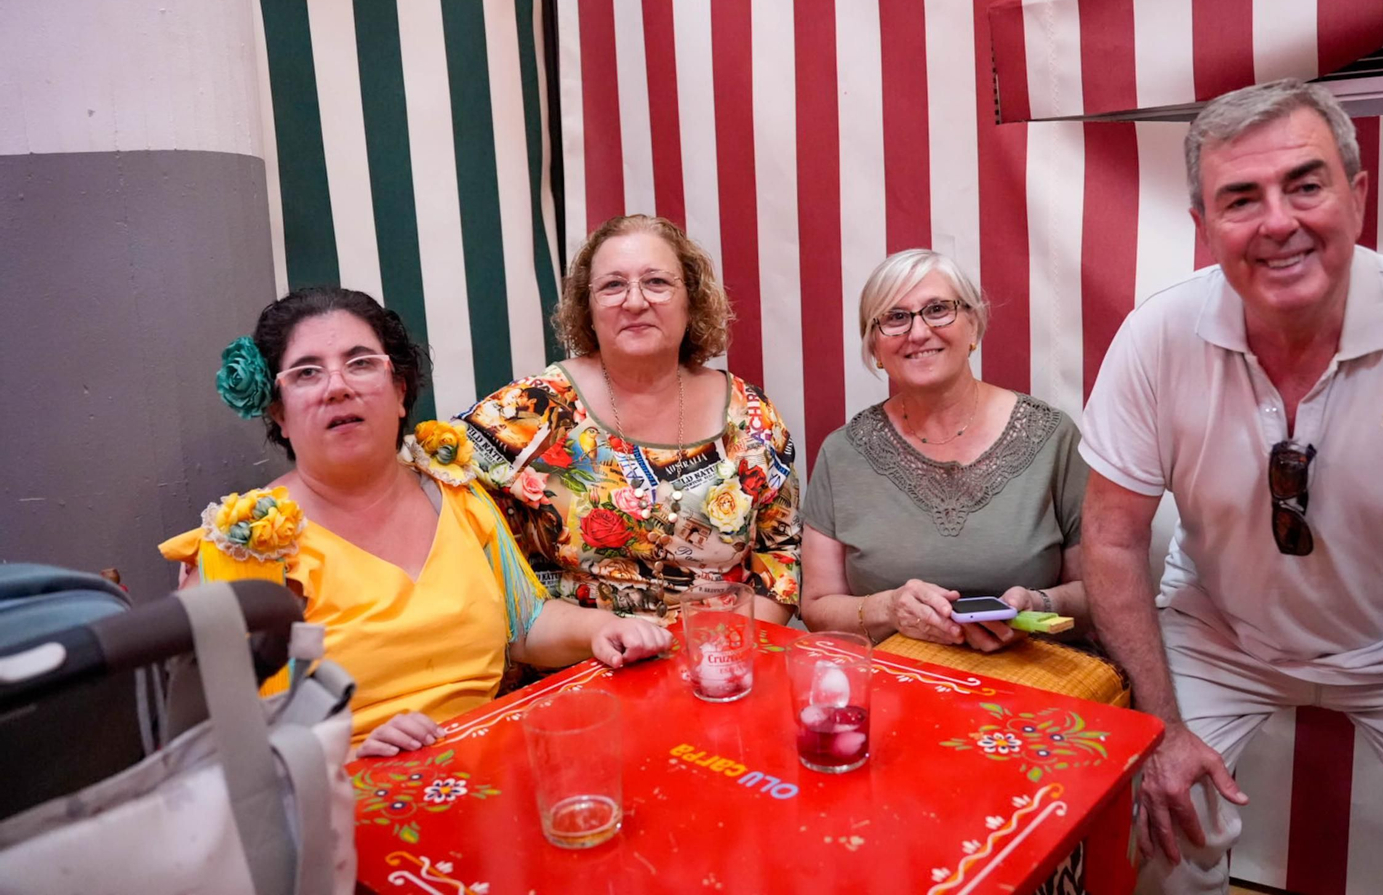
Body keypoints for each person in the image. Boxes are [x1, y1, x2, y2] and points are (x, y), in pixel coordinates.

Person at [1077, 79, 1383, 894]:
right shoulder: (1156, 334)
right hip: (1220, 627)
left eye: (1305, 185)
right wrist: (1162, 727)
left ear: (1358, 196)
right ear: (1204, 230)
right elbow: (1111, 535)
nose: (1279, 222)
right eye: (1241, 198)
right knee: (1155, 829)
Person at [160, 287, 671, 757]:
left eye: (360, 363)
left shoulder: (453, 491)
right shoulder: (247, 544)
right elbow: (223, 748)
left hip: (491, 767)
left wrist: (607, 628)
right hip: (342, 804)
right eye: (307, 373)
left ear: (400, 390)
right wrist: (347, 754)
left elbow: (527, 623)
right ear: (278, 413)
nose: (337, 387)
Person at [459, 215, 800, 624]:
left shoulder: (750, 414)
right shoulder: (534, 408)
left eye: (657, 282)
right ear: (587, 308)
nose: (635, 301)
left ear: (691, 301)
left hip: (719, 661)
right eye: (612, 285)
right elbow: (436, 486)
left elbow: (779, 557)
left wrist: (723, 655)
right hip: (584, 664)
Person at [800, 249, 1091, 650]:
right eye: (895, 317)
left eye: (938, 309)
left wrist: (1037, 605)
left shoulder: (1053, 438)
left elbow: (1099, 594)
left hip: (1034, 687)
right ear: (875, 347)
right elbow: (816, 608)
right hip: (895, 686)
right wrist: (890, 607)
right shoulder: (842, 453)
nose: (918, 333)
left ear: (973, 324)